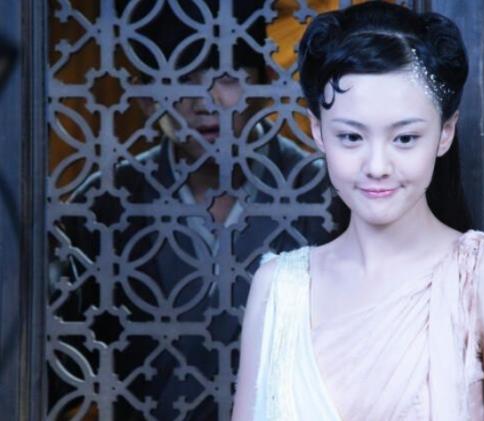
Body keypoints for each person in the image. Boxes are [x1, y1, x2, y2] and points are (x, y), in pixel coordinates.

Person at [232, 2, 484, 420]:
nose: (377, 166)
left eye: (405, 138)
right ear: (318, 131)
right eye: (351, 137)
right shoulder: (277, 290)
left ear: (445, 133)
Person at [48, 1, 331, 420]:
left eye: (227, 77)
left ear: (263, 84)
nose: (206, 101)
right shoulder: (107, 203)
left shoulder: (319, 193)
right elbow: (56, 365)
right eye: (180, 79)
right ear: (146, 100)